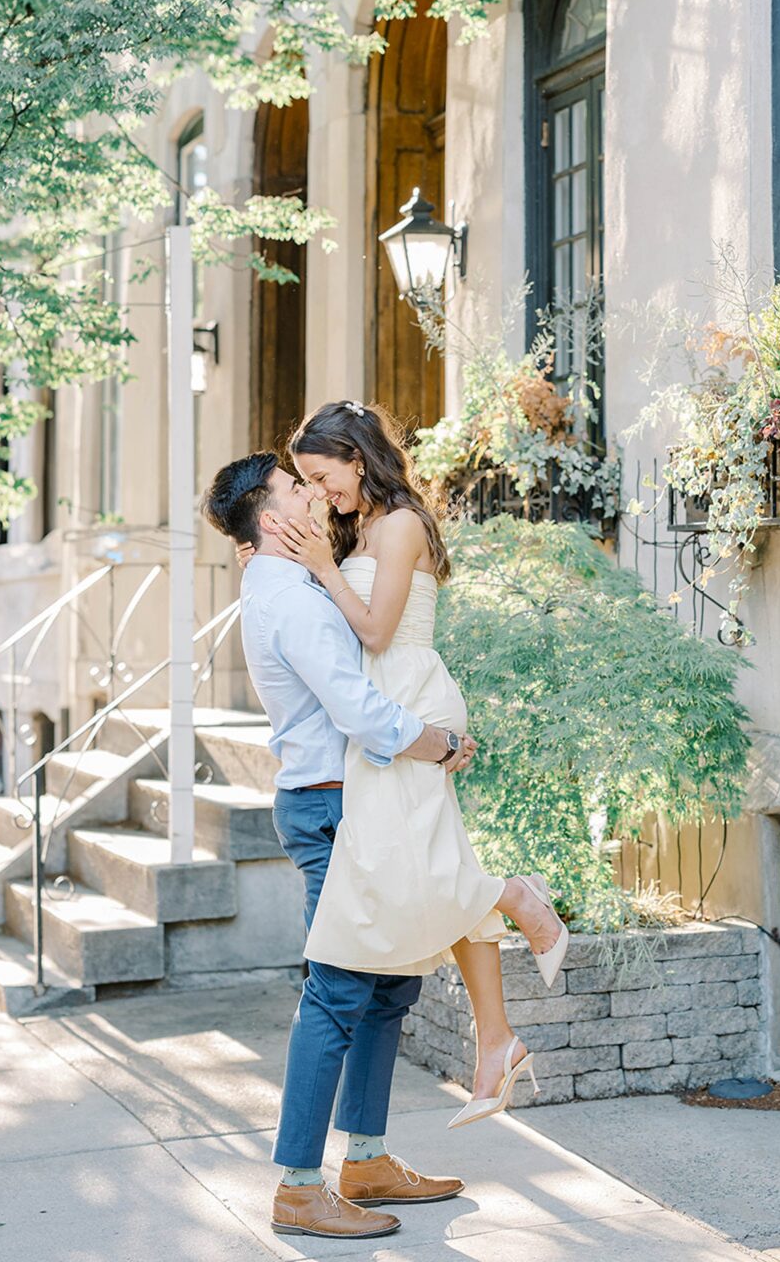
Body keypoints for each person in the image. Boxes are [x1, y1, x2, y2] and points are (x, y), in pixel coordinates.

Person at [237, 400, 569, 1132]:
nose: (317, 494)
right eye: (303, 484)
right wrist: (282, 560)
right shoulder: (354, 528)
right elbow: (325, 611)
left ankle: (514, 904)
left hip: (404, 698)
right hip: (382, 721)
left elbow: (377, 628)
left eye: (321, 477)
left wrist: (320, 566)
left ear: (357, 458)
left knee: (435, 876)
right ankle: (495, 1036)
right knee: (434, 874)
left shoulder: (400, 524)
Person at [203, 452, 471, 1244]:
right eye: (296, 488)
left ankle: (366, 1158)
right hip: (329, 807)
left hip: (355, 803)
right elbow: (354, 706)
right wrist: (435, 740)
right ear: (269, 518)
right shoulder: (289, 601)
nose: (313, 494)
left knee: (388, 987)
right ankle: (295, 1185)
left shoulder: (293, 583)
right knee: (337, 993)